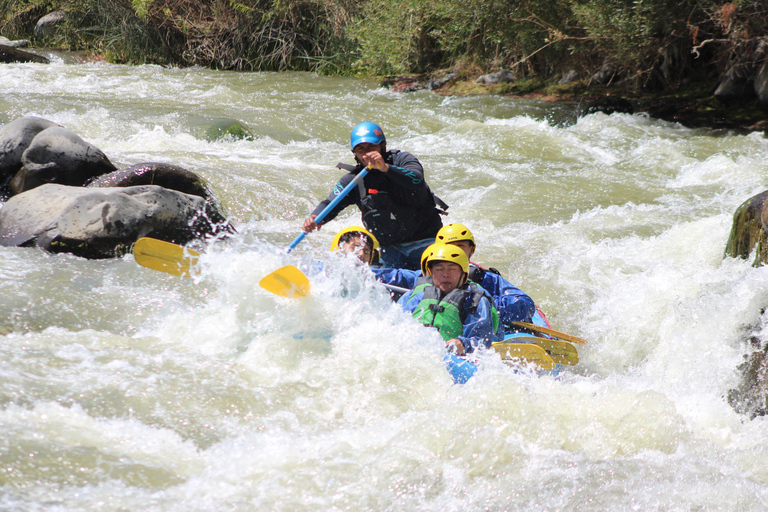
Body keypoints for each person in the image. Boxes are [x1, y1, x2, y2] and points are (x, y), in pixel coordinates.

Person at [302, 122, 447, 270]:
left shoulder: (403, 160)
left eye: (372, 147)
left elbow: (417, 180)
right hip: (388, 248)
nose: (366, 153)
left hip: (426, 241)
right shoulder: (353, 181)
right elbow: (330, 203)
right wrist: (315, 217)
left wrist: (385, 168)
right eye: (361, 149)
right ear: (354, 153)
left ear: (383, 146)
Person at [373, 223, 536, 325]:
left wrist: (482, 306)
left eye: (460, 246)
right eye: (448, 247)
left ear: (471, 250)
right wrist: (359, 270)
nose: (454, 251)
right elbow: (395, 276)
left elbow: (525, 303)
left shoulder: (485, 278)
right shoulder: (429, 277)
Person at [398, 244, 500, 356]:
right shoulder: (415, 295)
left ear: (464, 272)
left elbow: (481, 341)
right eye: (439, 269)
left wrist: (462, 343)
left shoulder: (474, 300)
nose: (446, 275)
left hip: (456, 358)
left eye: (452, 269)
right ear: (431, 272)